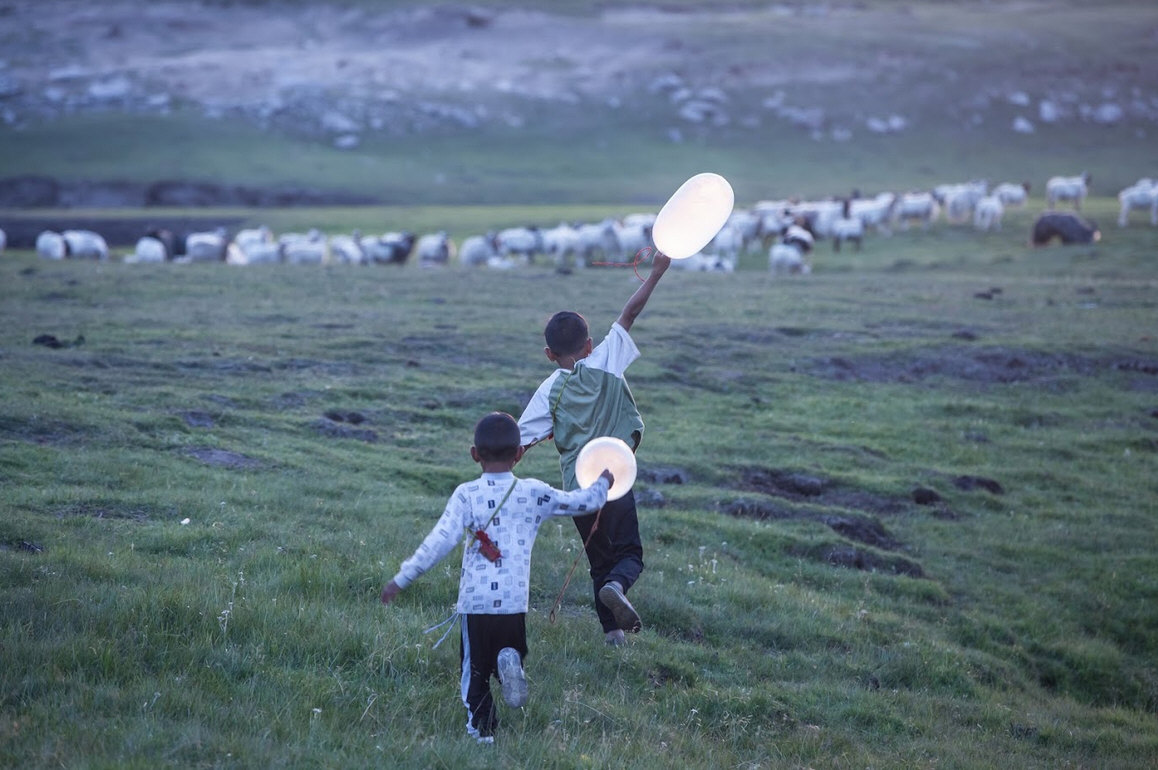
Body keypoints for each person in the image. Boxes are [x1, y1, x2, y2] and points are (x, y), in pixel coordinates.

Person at [381, 411, 613, 745]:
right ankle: (511, 664)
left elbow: (439, 541)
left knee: (474, 673)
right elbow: (580, 502)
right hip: (513, 602)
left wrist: (402, 578)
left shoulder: (466, 494)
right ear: (519, 454)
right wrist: (603, 482)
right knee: (508, 649)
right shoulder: (533, 492)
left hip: (476, 603)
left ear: (474, 455)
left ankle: (482, 734)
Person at [518, 250, 672, 646]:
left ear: (549, 355)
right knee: (628, 554)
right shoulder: (605, 361)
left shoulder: (548, 390)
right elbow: (630, 314)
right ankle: (619, 586)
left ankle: (612, 636)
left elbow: (517, 443)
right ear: (588, 345)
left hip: (577, 488)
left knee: (596, 560)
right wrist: (655, 273)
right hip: (614, 478)